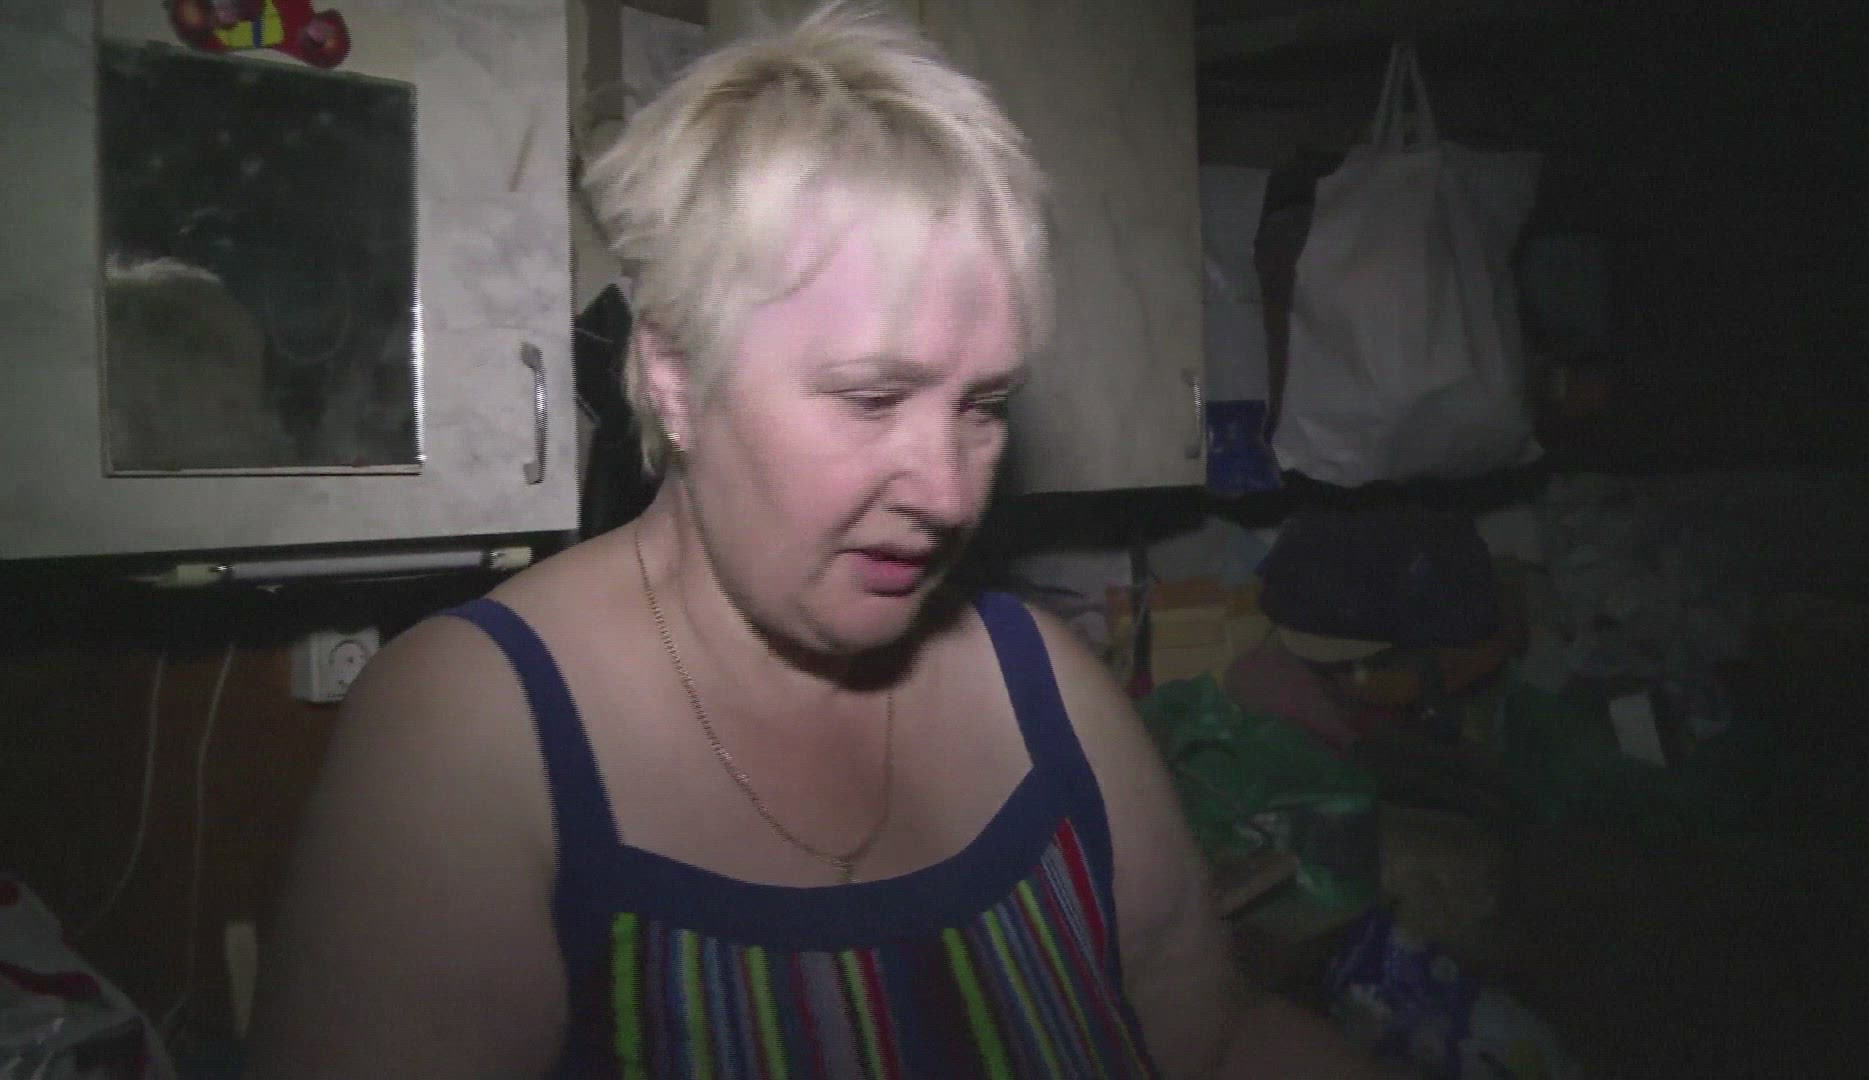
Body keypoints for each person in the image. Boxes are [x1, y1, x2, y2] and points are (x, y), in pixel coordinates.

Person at [247, 4, 1389, 1076]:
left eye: (983, 405)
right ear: (674, 376)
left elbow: (1214, 1038)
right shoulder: (471, 737)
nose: (949, 493)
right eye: (871, 398)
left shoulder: (1051, 691)